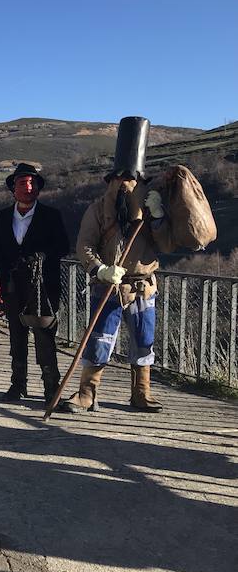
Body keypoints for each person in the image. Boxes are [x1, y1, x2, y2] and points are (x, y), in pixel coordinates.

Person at [61, 117, 175, 414]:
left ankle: (141, 394)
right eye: (120, 180)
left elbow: (165, 245)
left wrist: (159, 217)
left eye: (132, 180)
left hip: (142, 287)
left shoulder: (150, 213)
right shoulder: (98, 211)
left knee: (143, 342)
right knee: (99, 340)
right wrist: (100, 269)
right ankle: (87, 394)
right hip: (108, 287)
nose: (126, 186)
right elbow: (84, 246)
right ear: (111, 182)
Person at [0, 163, 70, 406]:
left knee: (45, 336)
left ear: (38, 188)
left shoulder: (51, 216)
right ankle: (17, 385)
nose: (28, 187)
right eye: (22, 183)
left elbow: (63, 246)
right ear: (14, 188)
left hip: (42, 286)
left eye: (32, 183)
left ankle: (50, 388)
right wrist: (4, 271)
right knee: (16, 335)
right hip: (13, 285)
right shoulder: (3, 217)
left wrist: (42, 257)